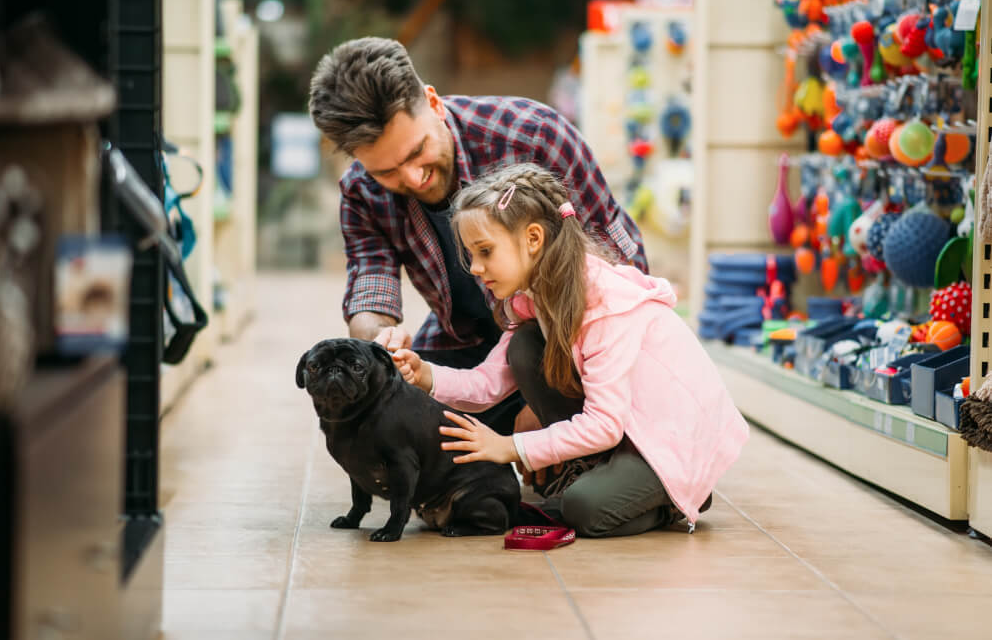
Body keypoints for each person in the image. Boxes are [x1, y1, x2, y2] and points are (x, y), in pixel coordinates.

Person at [308, 36, 648, 438]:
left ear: (433, 103)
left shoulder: (533, 135)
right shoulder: (361, 191)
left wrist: (543, 401)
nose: (413, 178)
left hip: (568, 338)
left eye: (418, 152)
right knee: (396, 419)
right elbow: (371, 285)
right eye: (388, 173)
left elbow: (619, 274)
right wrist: (379, 343)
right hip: (467, 343)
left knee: (540, 375)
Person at [391, 163, 749, 537]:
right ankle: (601, 473)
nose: (476, 268)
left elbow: (604, 425)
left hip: (669, 438)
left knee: (582, 510)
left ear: (533, 239)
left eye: (485, 251)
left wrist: (510, 447)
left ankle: (677, 498)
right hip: (627, 427)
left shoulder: (603, 305)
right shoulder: (535, 298)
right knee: (526, 347)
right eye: (471, 255)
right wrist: (425, 374)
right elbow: (487, 385)